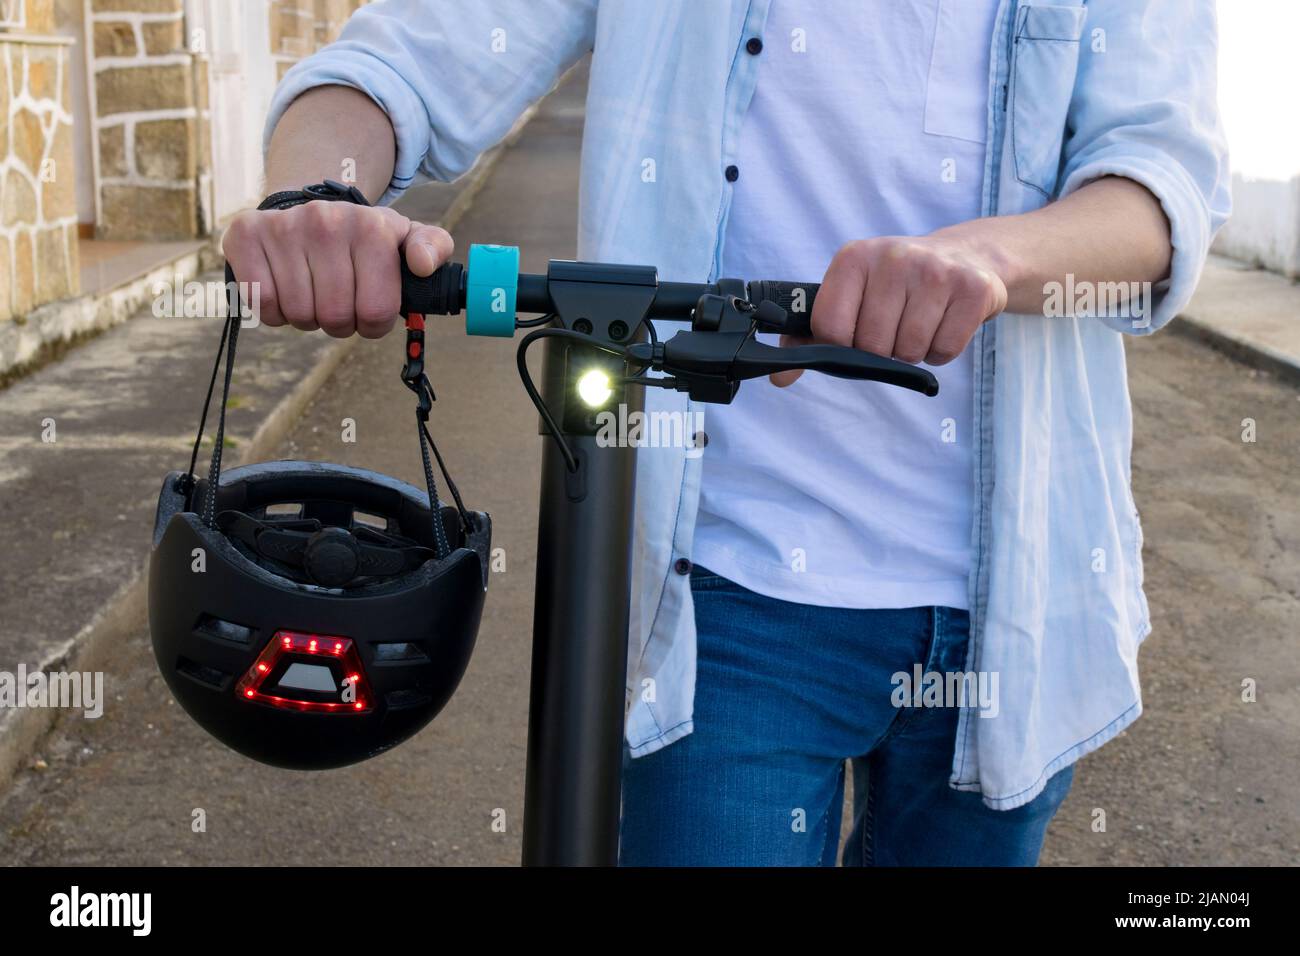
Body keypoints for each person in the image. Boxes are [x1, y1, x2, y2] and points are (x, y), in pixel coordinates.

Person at [226, 0, 1230, 865]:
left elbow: (1156, 184)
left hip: (1016, 599)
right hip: (726, 594)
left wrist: (984, 259)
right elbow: (403, 56)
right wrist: (315, 198)